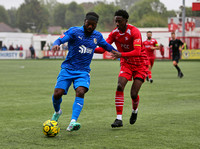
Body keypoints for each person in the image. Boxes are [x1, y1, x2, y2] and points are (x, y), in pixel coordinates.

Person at [50, 12, 117, 132]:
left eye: (93, 25)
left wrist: (120, 54)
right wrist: (56, 44)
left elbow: (107, 46)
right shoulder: (74, 31)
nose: (90, 27)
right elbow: (61, 39)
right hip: (68, 69)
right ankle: (57, 112)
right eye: (88, 24)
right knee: (57, 94)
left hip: (83, 71)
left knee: (80, 91)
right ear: (84, 21)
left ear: (96, 25)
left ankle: (73, 121)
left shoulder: (97, 36)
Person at [95, 10, 148, 128]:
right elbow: (104, 48)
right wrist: (89, 49)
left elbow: (137, 51)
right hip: (126, 63)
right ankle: (119, 119)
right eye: (116, 21)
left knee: (134, 94)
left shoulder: (135, 32)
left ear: (126, 21)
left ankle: (135, 110)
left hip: (140, 63)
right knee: (120, 85)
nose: (117, 24)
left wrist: (121, 55)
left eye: (119, 21)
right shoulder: (114, 33)